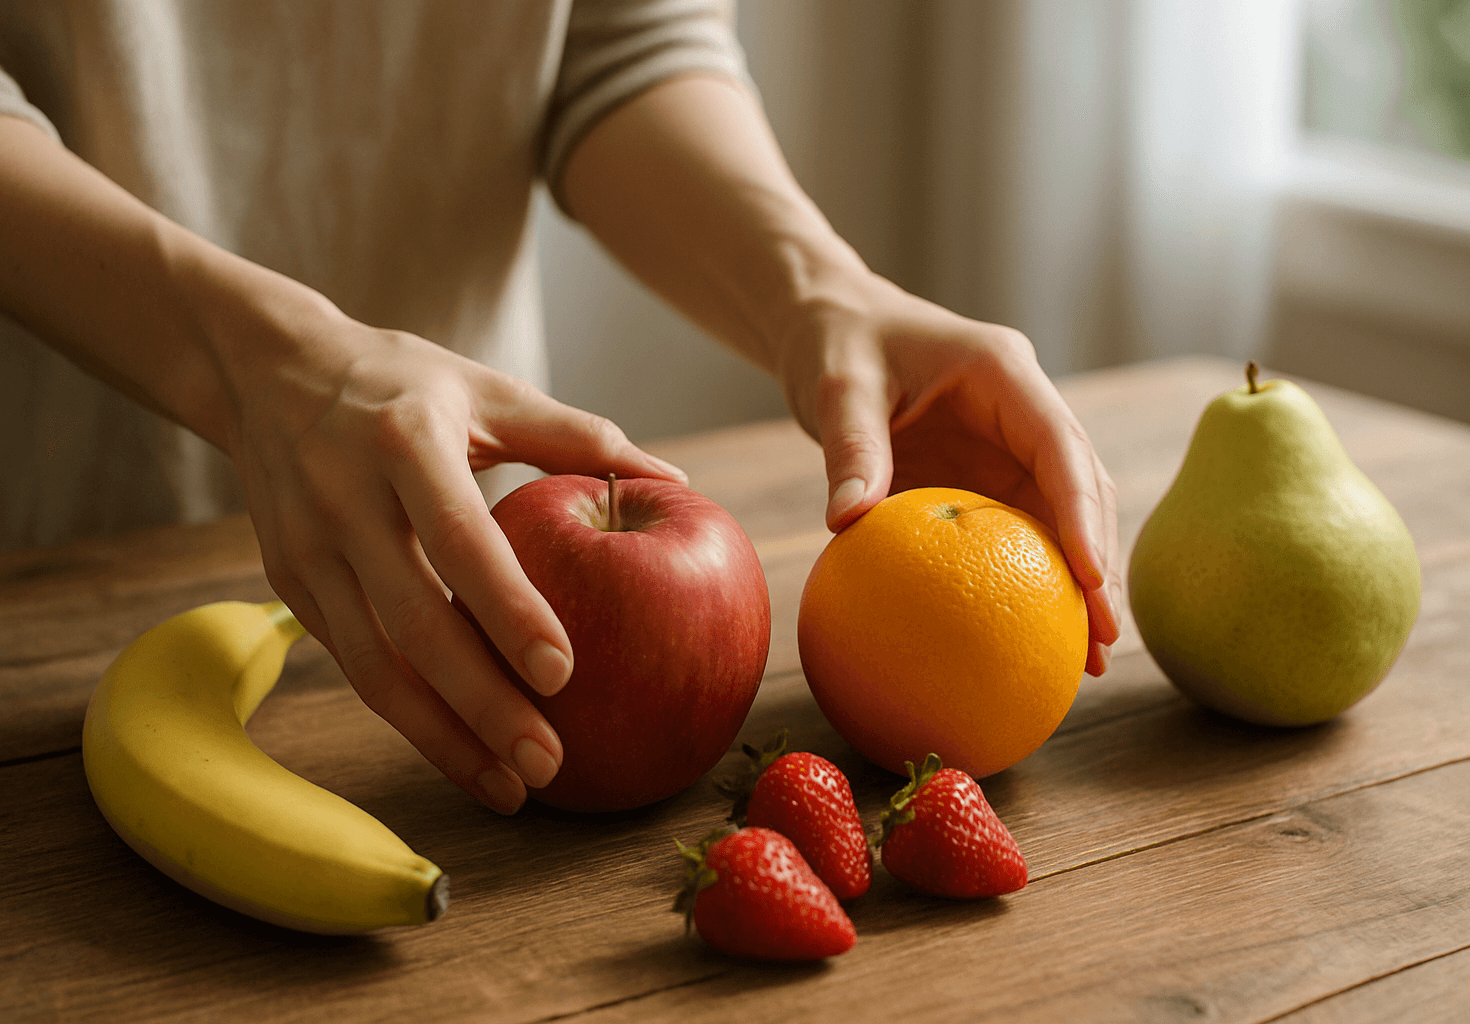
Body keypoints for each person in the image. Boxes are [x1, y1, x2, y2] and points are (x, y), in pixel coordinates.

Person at [0, 0, 1119, 815]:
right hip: (50, 566)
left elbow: (616, 44)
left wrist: (821, 296)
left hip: (462, 550)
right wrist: (258, 365)